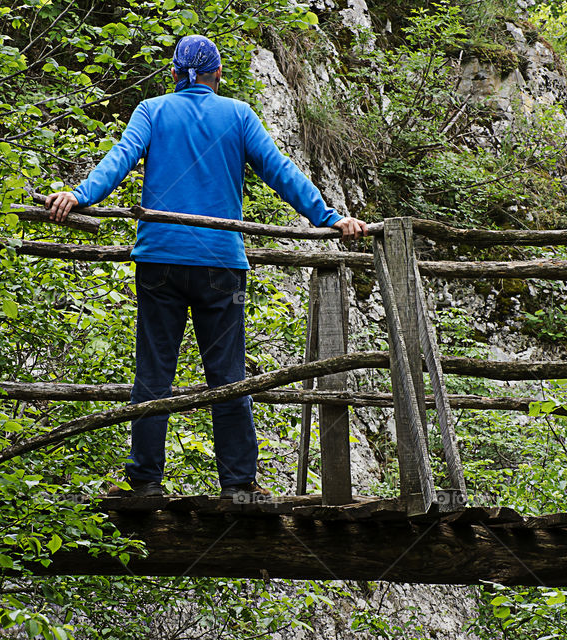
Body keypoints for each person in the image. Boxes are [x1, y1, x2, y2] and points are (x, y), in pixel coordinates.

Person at [46, 35, 367, 500]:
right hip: (220, 265)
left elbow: (120, 159)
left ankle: (145, 482)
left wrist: (79, 195)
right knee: (228, 374)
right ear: (218, 74)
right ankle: (238, 485)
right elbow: (280, 171)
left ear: (174, 74)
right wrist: (329, 218)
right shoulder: (238, 115)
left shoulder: (152, 111)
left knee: (154, 372)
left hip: (160, 260)